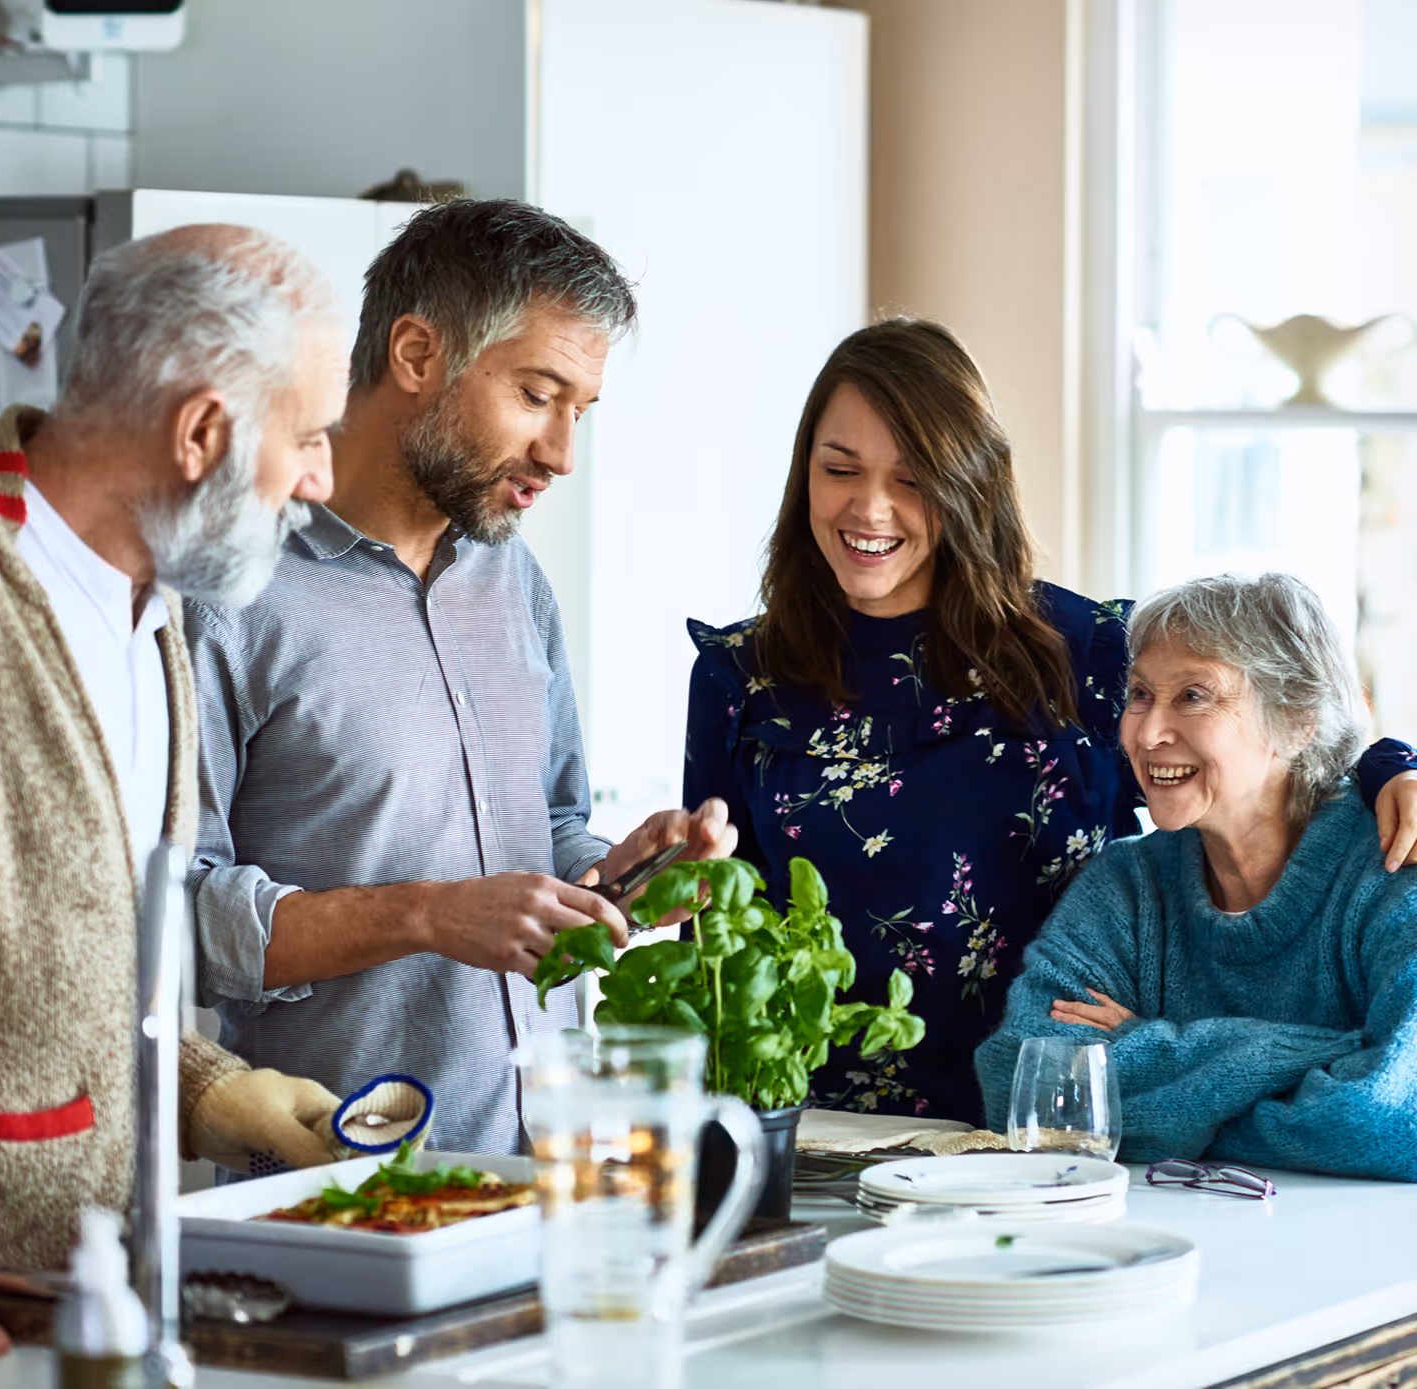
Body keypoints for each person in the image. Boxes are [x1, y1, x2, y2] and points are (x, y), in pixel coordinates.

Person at [682, 318, 1417, 1127]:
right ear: (805, 475)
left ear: (969, 483)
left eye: (914, 478)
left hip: (1040, 1132)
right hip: (807, 1126)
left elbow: (1259, 744)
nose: (870, 507)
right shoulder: (739, 676)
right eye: (839, 469)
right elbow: (718, 939)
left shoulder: (1085, 653)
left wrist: (1393, 763)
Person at [186, 199, 735, 1159]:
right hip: (338, 1189)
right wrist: (429, 913)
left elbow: (549, 828)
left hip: (550, 1171)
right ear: (415, 354)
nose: (562, 454)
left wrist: (623, 879)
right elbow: (176, 917)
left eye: (580, 412)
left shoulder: (513, 577)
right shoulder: (225, 590)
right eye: (536, 394)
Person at [0, 224, 354, 1361]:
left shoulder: (153, 613)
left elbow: (49, 964)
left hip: (73, 1311)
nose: (321, 479)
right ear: (202, 432)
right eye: (308, 436)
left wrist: (215, 1088)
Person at [975, 574, 1417, 1179]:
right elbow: (1024, 1089)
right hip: (1162, 1241)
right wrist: (1331, 1053)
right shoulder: (1127, 885)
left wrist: (1150, 1049)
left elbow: (1389, 1116)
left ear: (1296, 722)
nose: (1148, 732)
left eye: (1193, 696)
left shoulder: (1395, 866)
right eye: (1139, 694)